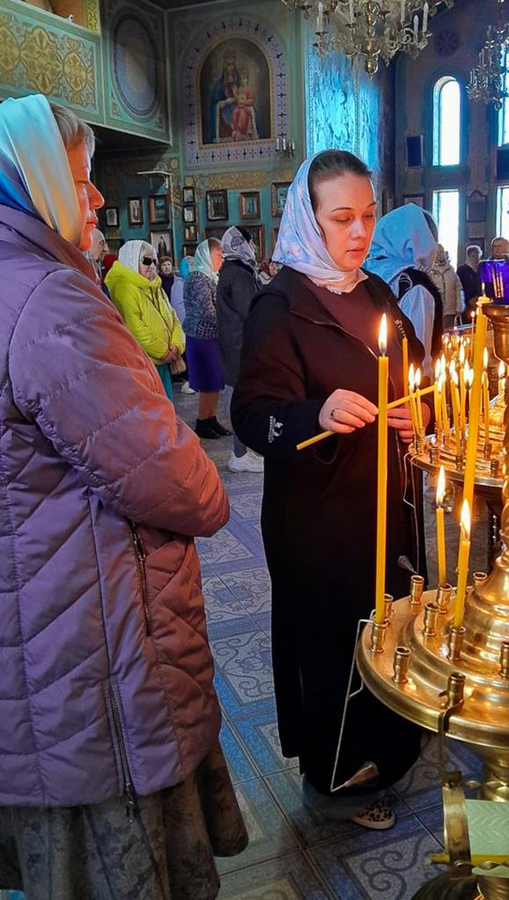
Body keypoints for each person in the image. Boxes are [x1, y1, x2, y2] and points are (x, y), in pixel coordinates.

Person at [0, 94, 246, 900]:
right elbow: (179, 482)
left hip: (36, 620)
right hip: (92, 636)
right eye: (81, 179)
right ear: (36, 183)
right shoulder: (50, 299)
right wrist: (205, 477)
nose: (100, 197)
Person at [232, 150, 428, 830]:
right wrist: (314, 413)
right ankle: (337, 778)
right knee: (333, 644)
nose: (360, 232)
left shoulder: (375, 294)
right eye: (342, 218)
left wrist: (423, 412)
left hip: (388, 507)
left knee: (391, 629)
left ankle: (392, 752)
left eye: (368, 215)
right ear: (308, 219)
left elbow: (418, 376)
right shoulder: (281, 306)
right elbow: (251, 414)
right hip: (317, 520)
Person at [367, 203, 443, 376]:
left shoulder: (364, 271)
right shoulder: (414, 286)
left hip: (367, 376)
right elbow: (419, 353)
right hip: (402, 383)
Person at [105, 241, 185, 399]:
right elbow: (135, 327)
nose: (152, 266)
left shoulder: (154, 285)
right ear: (132, 261)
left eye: (154, 261)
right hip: (144, 362)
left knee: (166, 404)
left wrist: (177, 344)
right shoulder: (123, 287)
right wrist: (164, 352)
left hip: (162, 360)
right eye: (147, 261)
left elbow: (173, 316)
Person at [217, 225, 264, 473]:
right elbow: (251, 310)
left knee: (242, 397)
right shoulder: (238, 274)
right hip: (240, 346)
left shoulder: (233, 269)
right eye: (251, 242)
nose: (253, 247)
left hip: (234, 344)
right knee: (240, 399)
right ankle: (239, 455)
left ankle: (244, 450)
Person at [183, 239, 231, 439]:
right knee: (207, 380)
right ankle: (202, 421)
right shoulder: (197, 278)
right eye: (218, 255)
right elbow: (206, 311)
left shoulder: (210, 276)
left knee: (215, 380)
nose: (221, 260)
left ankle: (211, 418)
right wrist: (228, 322)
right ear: (206, 255)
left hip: (212, 336)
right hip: (201, 337)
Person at [429, 243, 464, 331]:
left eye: (441, 252)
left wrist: (459, 307)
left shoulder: (451, 270)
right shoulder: (429, 271)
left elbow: (458, 289)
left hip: (450, 310)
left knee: (449, 332)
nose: (439, 254)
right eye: (437, 252)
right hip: (435, 310)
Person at [457, 244, 483, 321]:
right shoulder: (461, 270)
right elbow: (459, 288)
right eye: (473, 256)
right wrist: (469, 299)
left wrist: (479, 296)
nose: (476, 258)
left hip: (479, 303)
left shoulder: (481, 270)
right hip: (467, 305)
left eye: (477, 256)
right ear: (468, 256)